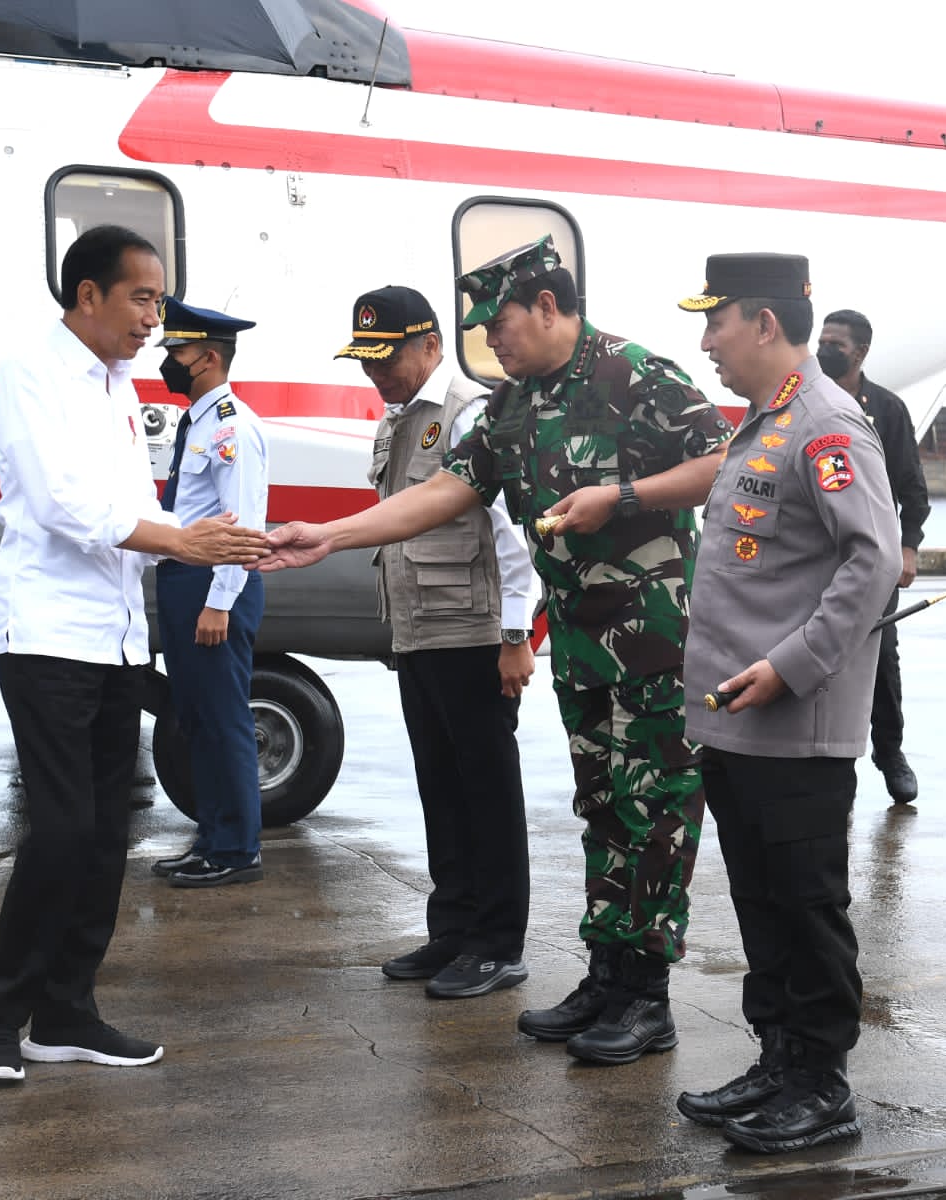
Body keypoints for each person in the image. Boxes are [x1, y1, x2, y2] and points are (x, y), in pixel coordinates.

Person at [259, 236, 731, 1064]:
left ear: (548, 306)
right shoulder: (514, 405)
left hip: (656, 644)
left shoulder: (637, 377)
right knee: (603, 812)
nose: (491, 340)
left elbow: (729, 462)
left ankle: (647, 998)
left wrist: (623, 495)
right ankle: (607, 976)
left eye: (499, 321)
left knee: (655, 816)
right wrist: (327, 537)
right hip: (584, 651)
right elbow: (440, 494)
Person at [0, 228, 269, 1083]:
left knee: (106, 833)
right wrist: (182, 538)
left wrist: (206, 547)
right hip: (49, 633)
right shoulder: (33, 372)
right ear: (87, 295)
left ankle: (66, 1010)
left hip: (114, 636)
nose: (153, 319)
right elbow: (63, 503)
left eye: (159, 301)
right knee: (62, 827)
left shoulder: (119, 386)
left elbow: (133, 507)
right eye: (141, 298)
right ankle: (1, 1012)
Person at [674, 254, 900, 1154]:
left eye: (716, 322)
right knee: (763, 903)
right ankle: (778, 1059)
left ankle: (821, 1082)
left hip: (792, 720)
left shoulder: (827, 423)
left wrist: (794, 664)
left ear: (764, 324)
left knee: (805, 904)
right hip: (735, 718)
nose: (706, 341)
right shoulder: (763, 422)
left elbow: (873, 559)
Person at [333, 284, 541, 998]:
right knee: (440, 788)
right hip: (420, 631)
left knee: (485, 791)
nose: (375, 374)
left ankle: (497, 942)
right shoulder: (401, 420)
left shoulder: (469, 414)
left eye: (385, 358)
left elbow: (514, 535)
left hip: (472, 632)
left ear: (430, 345)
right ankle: (452, 931)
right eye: (365, 361)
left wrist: (516, 634)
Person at [147, 296, 270, 889]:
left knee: (222, 719)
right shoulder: (197, 422)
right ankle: (211, 836)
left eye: (177, 350)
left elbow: (242, 523)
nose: (168, 359)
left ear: (209, 357)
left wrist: (220, 600)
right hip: (183, 577)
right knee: (194, 718)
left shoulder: (233, 428)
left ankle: (237, 849)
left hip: (212, 585)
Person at [816, 309, 930, 804]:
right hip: (813, 558)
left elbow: (912, 488)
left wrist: (908, 545)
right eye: (822, 339)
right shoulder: (803, 398)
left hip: (869, 557)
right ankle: (819, 758)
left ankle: (890, 753)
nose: (824, 348)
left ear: (859, 352)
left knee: (880, 660)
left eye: (835, 342)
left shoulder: (886, 409)